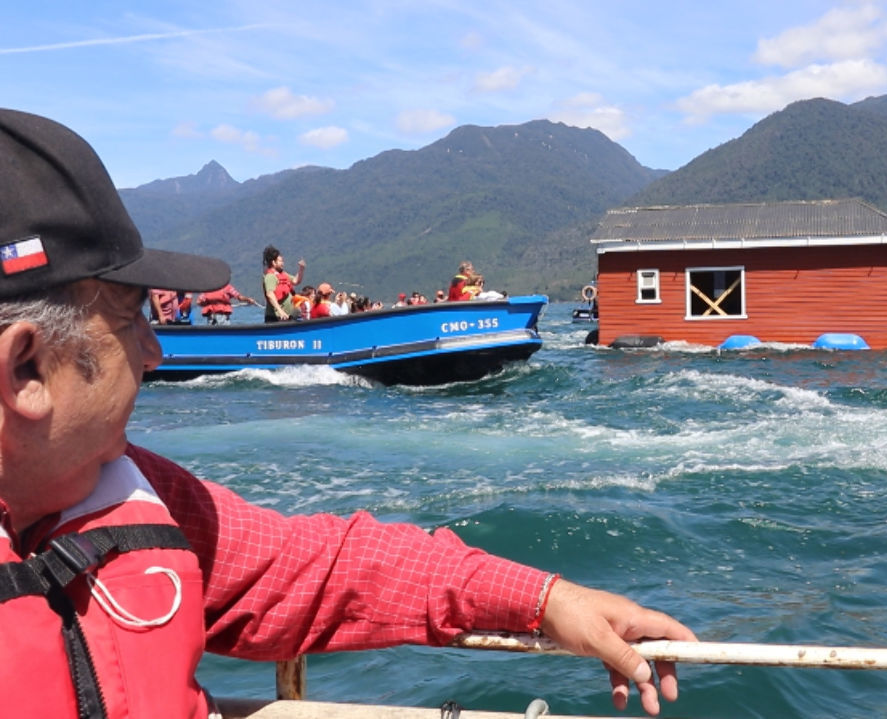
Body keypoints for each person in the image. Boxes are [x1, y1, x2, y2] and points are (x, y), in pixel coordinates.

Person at [0, 109, 695, 718]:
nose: (154, 351)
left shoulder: (136, 495)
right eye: (128, 319)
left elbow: (324, 567)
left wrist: (543, 597)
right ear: (26, 368)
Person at [262, 244, 305, 322]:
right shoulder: (270, 277)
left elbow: (295, 281)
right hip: (276, 317)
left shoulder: (284, 274)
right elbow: (270, 294)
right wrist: (280, 311)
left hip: (287, 316)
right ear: (273, 262)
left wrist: (301, 269)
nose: (283, 263)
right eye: (280, 261)